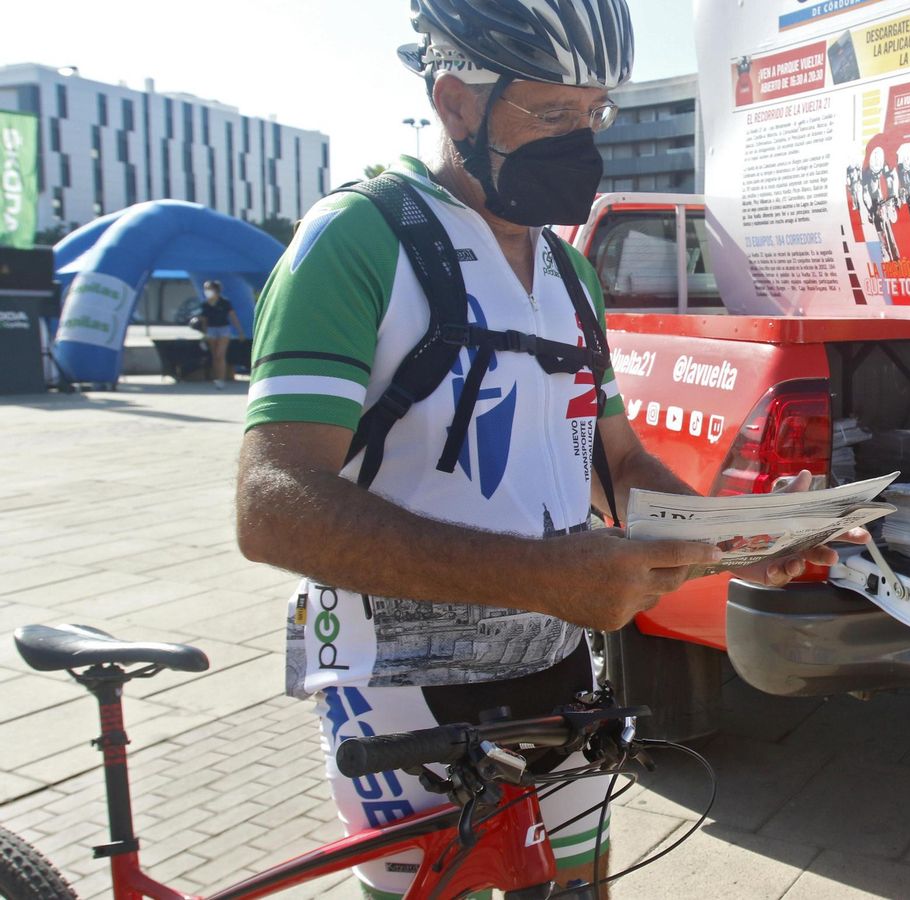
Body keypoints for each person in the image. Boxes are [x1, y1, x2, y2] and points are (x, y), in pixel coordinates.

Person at [234, 2, 857, 895]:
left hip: (558, 667)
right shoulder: (355, 240)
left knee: (577, 885)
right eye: (553, 114)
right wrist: (536, 576)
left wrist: (745, 541)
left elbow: (621, 468)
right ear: (455, 104)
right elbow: (271, 507)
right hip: (397, 684)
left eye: (595, 113)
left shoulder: (571, 274)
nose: (583, 139)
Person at [197, 280, 244, 389]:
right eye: (205, 289)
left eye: (209, 288)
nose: (206, 291)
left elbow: (233, 317)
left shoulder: (224, 302)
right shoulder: (205, 304)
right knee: (214, 356)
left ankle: (222, 379)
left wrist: (240, 331)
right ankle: (217, 378)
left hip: (224, 329)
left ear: (215, 290)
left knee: (220, 354)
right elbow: (204, 320)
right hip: (211, 330)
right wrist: (204, 334)